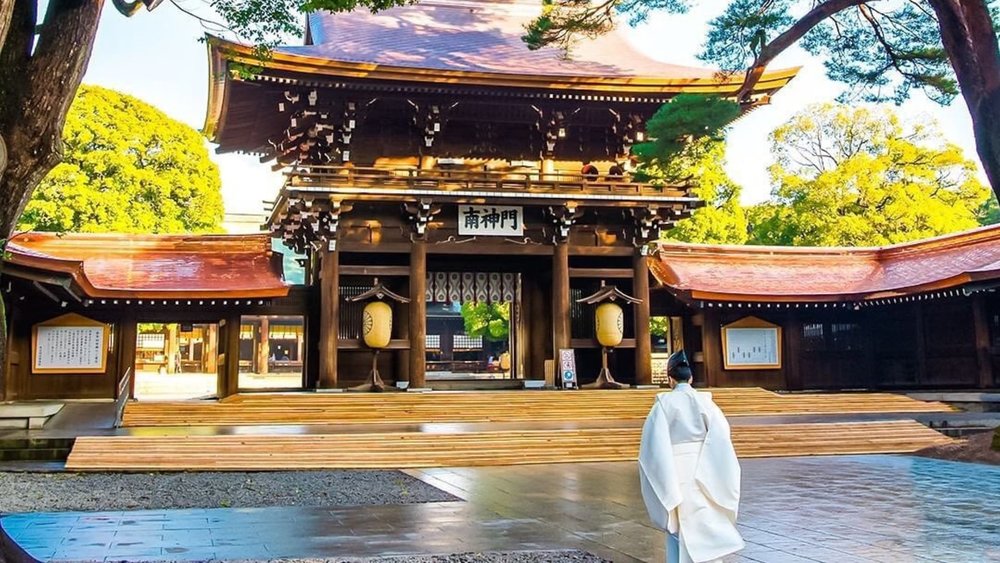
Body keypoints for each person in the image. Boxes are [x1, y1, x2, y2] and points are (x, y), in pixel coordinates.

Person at [638, 350, 744, 563]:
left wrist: (662, 474)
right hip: (705, 467)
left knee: (678, 522)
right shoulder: (706, 403)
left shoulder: (663, 405)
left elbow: (653, 446)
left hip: (674, 467)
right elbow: (722, 437)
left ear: (670, 379)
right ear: (691, 378)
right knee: (706, 519)